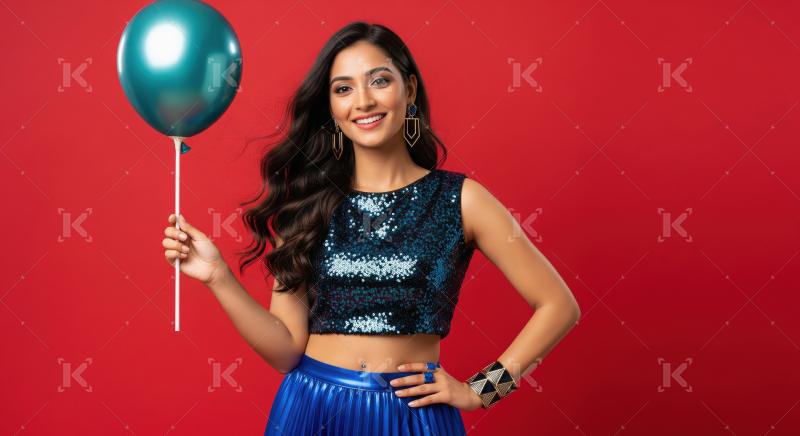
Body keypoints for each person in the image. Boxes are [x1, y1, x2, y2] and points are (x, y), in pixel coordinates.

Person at [161, 21, 580, 435]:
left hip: (413, 416)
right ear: (331, 108)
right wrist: (218, 278)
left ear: (409, 90)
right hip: (311, 409)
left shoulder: (462, 199)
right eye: (343, 89)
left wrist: (479, 391)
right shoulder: (309, 207)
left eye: (379, 81)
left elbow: (559, 306)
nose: (362, 101)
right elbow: (286, 350)